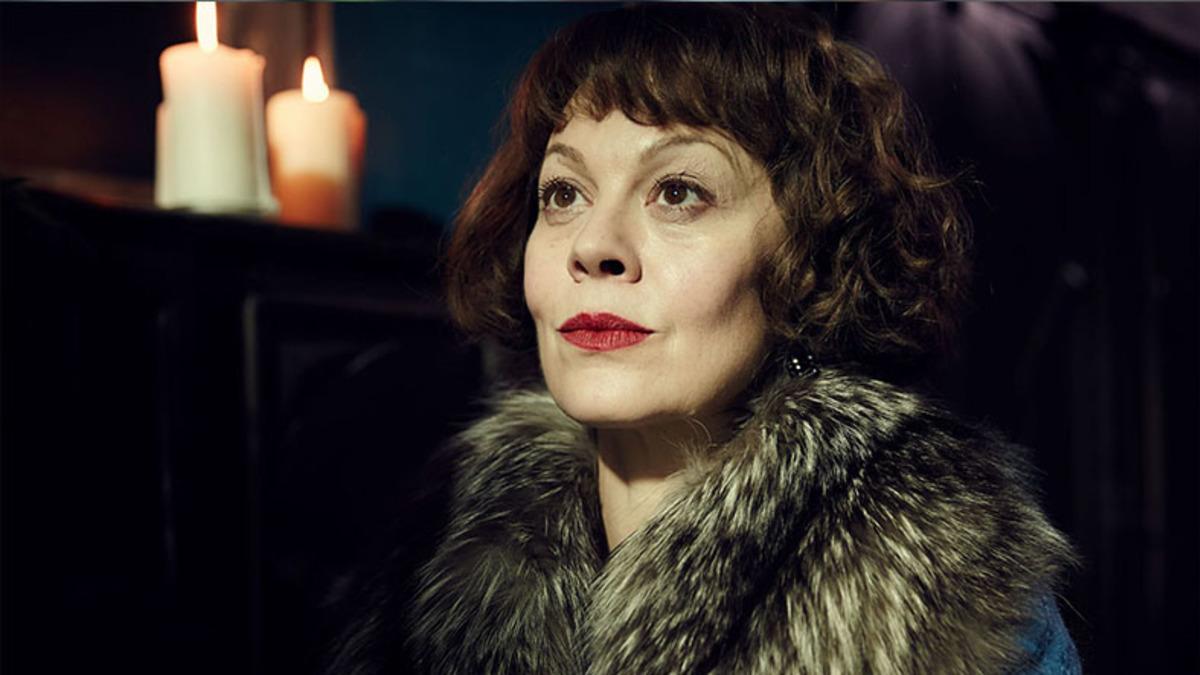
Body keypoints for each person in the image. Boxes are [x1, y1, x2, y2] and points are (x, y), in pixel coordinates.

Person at [328, 4, 1081, 673]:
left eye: (678, 192)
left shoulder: (951, 596)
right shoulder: (428, 571)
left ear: (807, 259)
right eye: (563, 193)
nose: (594, 245)